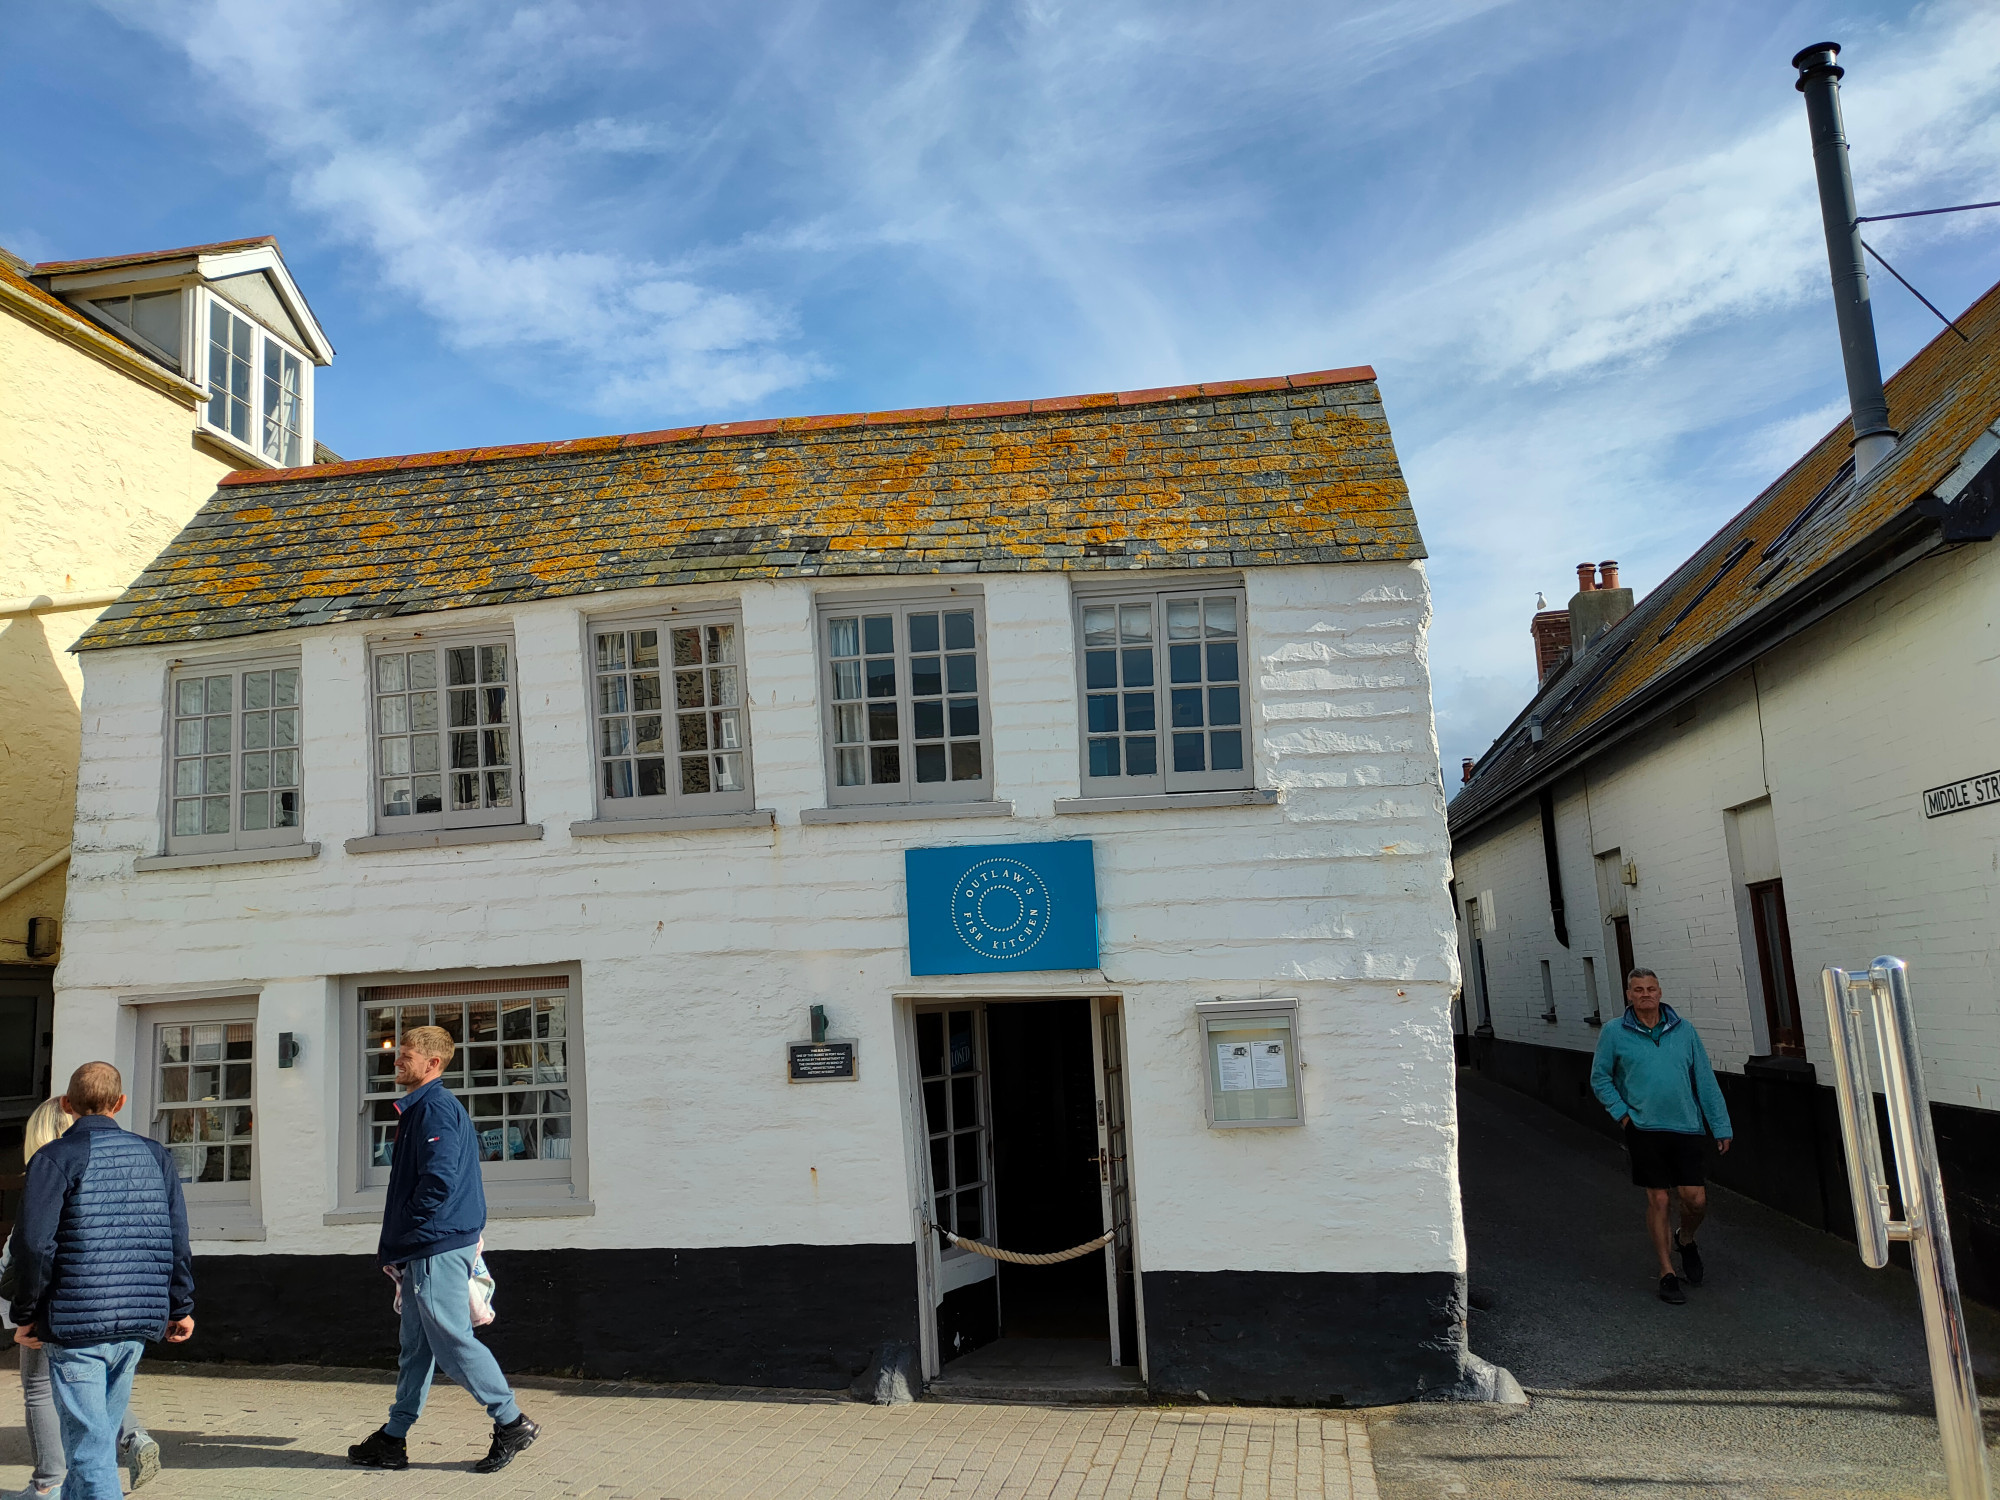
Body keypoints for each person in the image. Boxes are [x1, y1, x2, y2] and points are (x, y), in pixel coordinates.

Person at [347, 1026, 539, 1474]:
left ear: (433, 1064)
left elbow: (438, 1181)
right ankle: (393, 1438)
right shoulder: (421, 1109)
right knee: (416, 1346)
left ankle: (511, 1421)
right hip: (428, 1244)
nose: (397, 1062)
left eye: (406, 1056)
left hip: (435, 1244)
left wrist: (413, 1226)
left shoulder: (433, 1108)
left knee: (452, 1341)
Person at [8, 1064, 193, 1500]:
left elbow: (33, 1245)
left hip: (76, 1322)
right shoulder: (156, 1155)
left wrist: (26, 1313)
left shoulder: (52, 1158)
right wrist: (181, 1305)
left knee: (89, 1452)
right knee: (94, 1445)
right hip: (138, 1319)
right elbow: (177, 1237)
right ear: (121, 1103)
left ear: (67, 1105)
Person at [1589, 969, 1734, 1305]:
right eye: (1638, 989)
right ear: (1628, 994)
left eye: (1651, 989)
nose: (1645, 995)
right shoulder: (1614, 1032)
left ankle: (1686, 1238)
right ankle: (1667, 1271)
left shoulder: (1684, 1031)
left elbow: (1705, 1080)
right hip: (1644, 1129)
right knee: (1659, 1199)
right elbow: (1600, 1079)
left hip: (1686, 1126)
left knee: (1694, 1198)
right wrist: (1624, 1116)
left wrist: (1721, 1125)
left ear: (1660, 992)